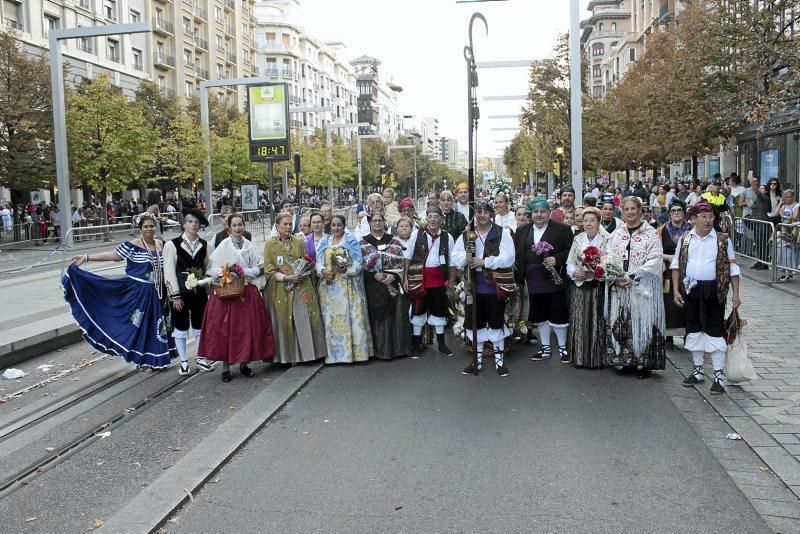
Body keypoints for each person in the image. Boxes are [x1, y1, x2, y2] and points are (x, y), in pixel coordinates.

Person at [62, 214, 178, 369]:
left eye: (151, 226)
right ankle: (142, 360)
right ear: (140, 229)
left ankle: (158, 358)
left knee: (158, 326)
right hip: (139, 294)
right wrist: (87, 257)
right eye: (146, 226)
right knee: (140, 326)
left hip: (159, 293)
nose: (149, 229)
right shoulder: (133, 245)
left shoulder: (161, 244)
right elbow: (113, 255)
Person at [673, 200, 741, 395]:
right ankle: (698, 370)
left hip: (714, 290)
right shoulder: (685, 238)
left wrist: (736, 294)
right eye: (704, 216)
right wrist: (677, 290)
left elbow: (733, 268)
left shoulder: (722, 239)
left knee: (715, 329)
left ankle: (718, 375)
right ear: (693, 219)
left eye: (711, 216)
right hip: (691, 289)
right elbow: (676, 265)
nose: (708, 220)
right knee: (693, 328)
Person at [198, 213, 276, 382]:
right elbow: (214, 269)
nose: (238, 228)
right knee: (226, 330)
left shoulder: (249, 245)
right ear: (229, 227)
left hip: (246, 290)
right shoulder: (224, 245)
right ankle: (226, 367)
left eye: (240, 224)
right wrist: (227, 272)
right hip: (227, 293)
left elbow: (256, 268)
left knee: (246, 328)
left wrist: (242, 271)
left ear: (244, 225)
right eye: (234, 225)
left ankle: (244, 363)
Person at [604, 196, 666, 378]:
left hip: (642, 288)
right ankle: (626, 361)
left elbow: (655, 259)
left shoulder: (651, 234)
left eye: (633, 208)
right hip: (620, 288)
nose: (630, 212)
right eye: (626, 209)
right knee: (622, 324)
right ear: (622, 212)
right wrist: (615, 277)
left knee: (643, 323)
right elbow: (607, 258)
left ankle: (643, 363)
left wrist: (632, 276)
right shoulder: (616, 235)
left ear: (640, 211)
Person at [453, 202, 515, 376]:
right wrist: (467, 256)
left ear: (491, 214)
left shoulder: (501, 233)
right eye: (478, 212)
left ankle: (499, 362)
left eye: (485, 212)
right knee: (475, 323)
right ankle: (476, 361)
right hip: (473, 286)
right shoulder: (467, 235)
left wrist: (485, 262)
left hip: (494, 285)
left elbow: (508, 258)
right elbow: (455, 258)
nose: (481, 215)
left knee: (496, 322)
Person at [514, 197, 574, 362]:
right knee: (539, 314)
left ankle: (563, 348)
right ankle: (545, 348)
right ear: (531, 214)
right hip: (533, 280)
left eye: (543, 211)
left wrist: (557, 259)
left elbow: (571, 250)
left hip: (554, 279)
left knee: (558, 313)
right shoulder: (522, 231)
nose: (539, 215)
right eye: (535, 212)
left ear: (549, 213)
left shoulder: (562, 229)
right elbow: (519, 255)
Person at [264, 212, 327, 365]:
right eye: (284, 224)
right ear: (277, 226)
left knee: (304, 316)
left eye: (290, 224)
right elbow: (268, 269)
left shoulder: (298, 241)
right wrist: (286, 277)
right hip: (281, 288)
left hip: (301, 285)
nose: (287, 227)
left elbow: (306, 259)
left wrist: (302, 272)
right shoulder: (270, 245)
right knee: (284, 321)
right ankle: (286, 358)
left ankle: (308, 354)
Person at [163, 208, 214, 375]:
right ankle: (183, 361)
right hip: (181, 293)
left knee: (200, 325)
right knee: (180, 326)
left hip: (199, 292)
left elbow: (209, 267)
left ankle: (200, 357)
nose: (193, 225)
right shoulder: (173, 245)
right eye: (190, 222)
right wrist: (174, 295)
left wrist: (206, 280)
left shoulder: (205, 245)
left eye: (197, 222)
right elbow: (169, 271)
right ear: (184, 224)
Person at [316, 214, 373, 364]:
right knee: (331, 319)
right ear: (330, 226)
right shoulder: (324, 241)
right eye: (333, 225)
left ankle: (354, 354)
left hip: (348, 285)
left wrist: (346, 270)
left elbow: (359, 263)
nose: (336, 228)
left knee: (350, 317)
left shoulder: (351, 240)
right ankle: (333, 355)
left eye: (339, 225)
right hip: (329, 285)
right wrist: (323, 271)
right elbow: (318, 261)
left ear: (343, 225)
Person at [403, 205, 456, 358]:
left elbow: (452, 261)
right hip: (420, 279)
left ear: (442, 220)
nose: (433, 220)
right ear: (426, 218)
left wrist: (451, 281)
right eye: (430, 216)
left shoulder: (447, 237)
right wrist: (406, 278)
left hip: (439, 280)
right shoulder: (417, 234)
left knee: (439, 311)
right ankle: (416, 344)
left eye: (436, 217)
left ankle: (441, 344)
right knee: (418, 310)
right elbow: (408, 257)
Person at [360, 212, 412, 360]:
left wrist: (393, 275)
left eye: (380, 220)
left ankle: (398, 350)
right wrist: (374, 275)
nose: (377, 223)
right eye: (374, 221)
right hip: (373, 285)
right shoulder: (363, 243)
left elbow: (401, 263)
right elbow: (360, 266)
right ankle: (380, 351)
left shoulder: (394, 241)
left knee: (396, 316)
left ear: (384, 223)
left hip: (392, 283)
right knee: (379, 319)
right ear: (370, 223)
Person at [565, 207, 610, 368]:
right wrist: (574, 272)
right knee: (580, 320)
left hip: (598, 285)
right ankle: (579, 358)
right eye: (585, 221)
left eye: (592, 220)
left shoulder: (607, 239)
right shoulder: (578, 239)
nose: (588, 224)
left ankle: (597, 359)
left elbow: (611, 263)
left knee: (597, 321)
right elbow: (570, 262)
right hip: (580, 286)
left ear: (599, 222)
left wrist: (595, 272)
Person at [658, 200, 692, 341]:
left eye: (679, 210)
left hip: (688, 272)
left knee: (688, 301)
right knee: (668, 303)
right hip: (667, 273)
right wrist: (669, 257)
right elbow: (655, 251)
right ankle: (668, 337)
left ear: (684, 213)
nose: (676, 213)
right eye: (673, 211)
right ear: (669, 214)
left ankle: (688, 335)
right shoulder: (661, 231)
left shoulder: (692, 229)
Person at [774, 189, 799, 281]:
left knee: (789, 252)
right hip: (783, 230)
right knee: (781, 252)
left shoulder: (797, 205)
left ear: (793, 196)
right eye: (786, 197)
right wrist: (780, 203)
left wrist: (784, 216)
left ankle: (790, 272)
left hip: (792, 231)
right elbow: (776, 213)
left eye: (790, 196)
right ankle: (784, 273)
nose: (788, 198)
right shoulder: (784, 206)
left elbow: (794, 218)